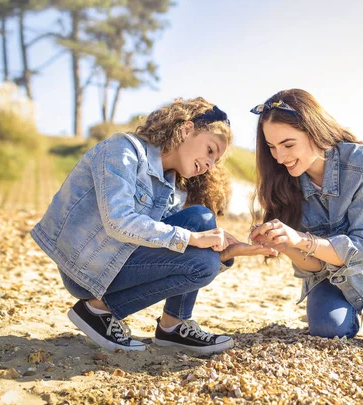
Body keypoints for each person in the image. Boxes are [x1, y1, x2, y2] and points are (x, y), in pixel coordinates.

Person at [31, 97, 275, 354]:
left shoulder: (172, 188)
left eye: (215, 161)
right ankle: (98, 309)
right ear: (186, 130)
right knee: (201, 253)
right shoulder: (123, 149)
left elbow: (166, 252)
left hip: (119, 263)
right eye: (210, 150)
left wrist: (225, 253)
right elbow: (118, 221)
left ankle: (173, 325)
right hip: (87, 268)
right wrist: (193, 240)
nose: (209, 164)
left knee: (202, 220)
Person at [248, 89, 363, 347]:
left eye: (288, 145)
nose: (280, 158)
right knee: (328, 330)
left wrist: (302, 239)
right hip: (333, 273)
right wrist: (286, 245)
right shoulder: (284, 184)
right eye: (272, 147)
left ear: (313, 131)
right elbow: (314, 267)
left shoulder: (361, 165)